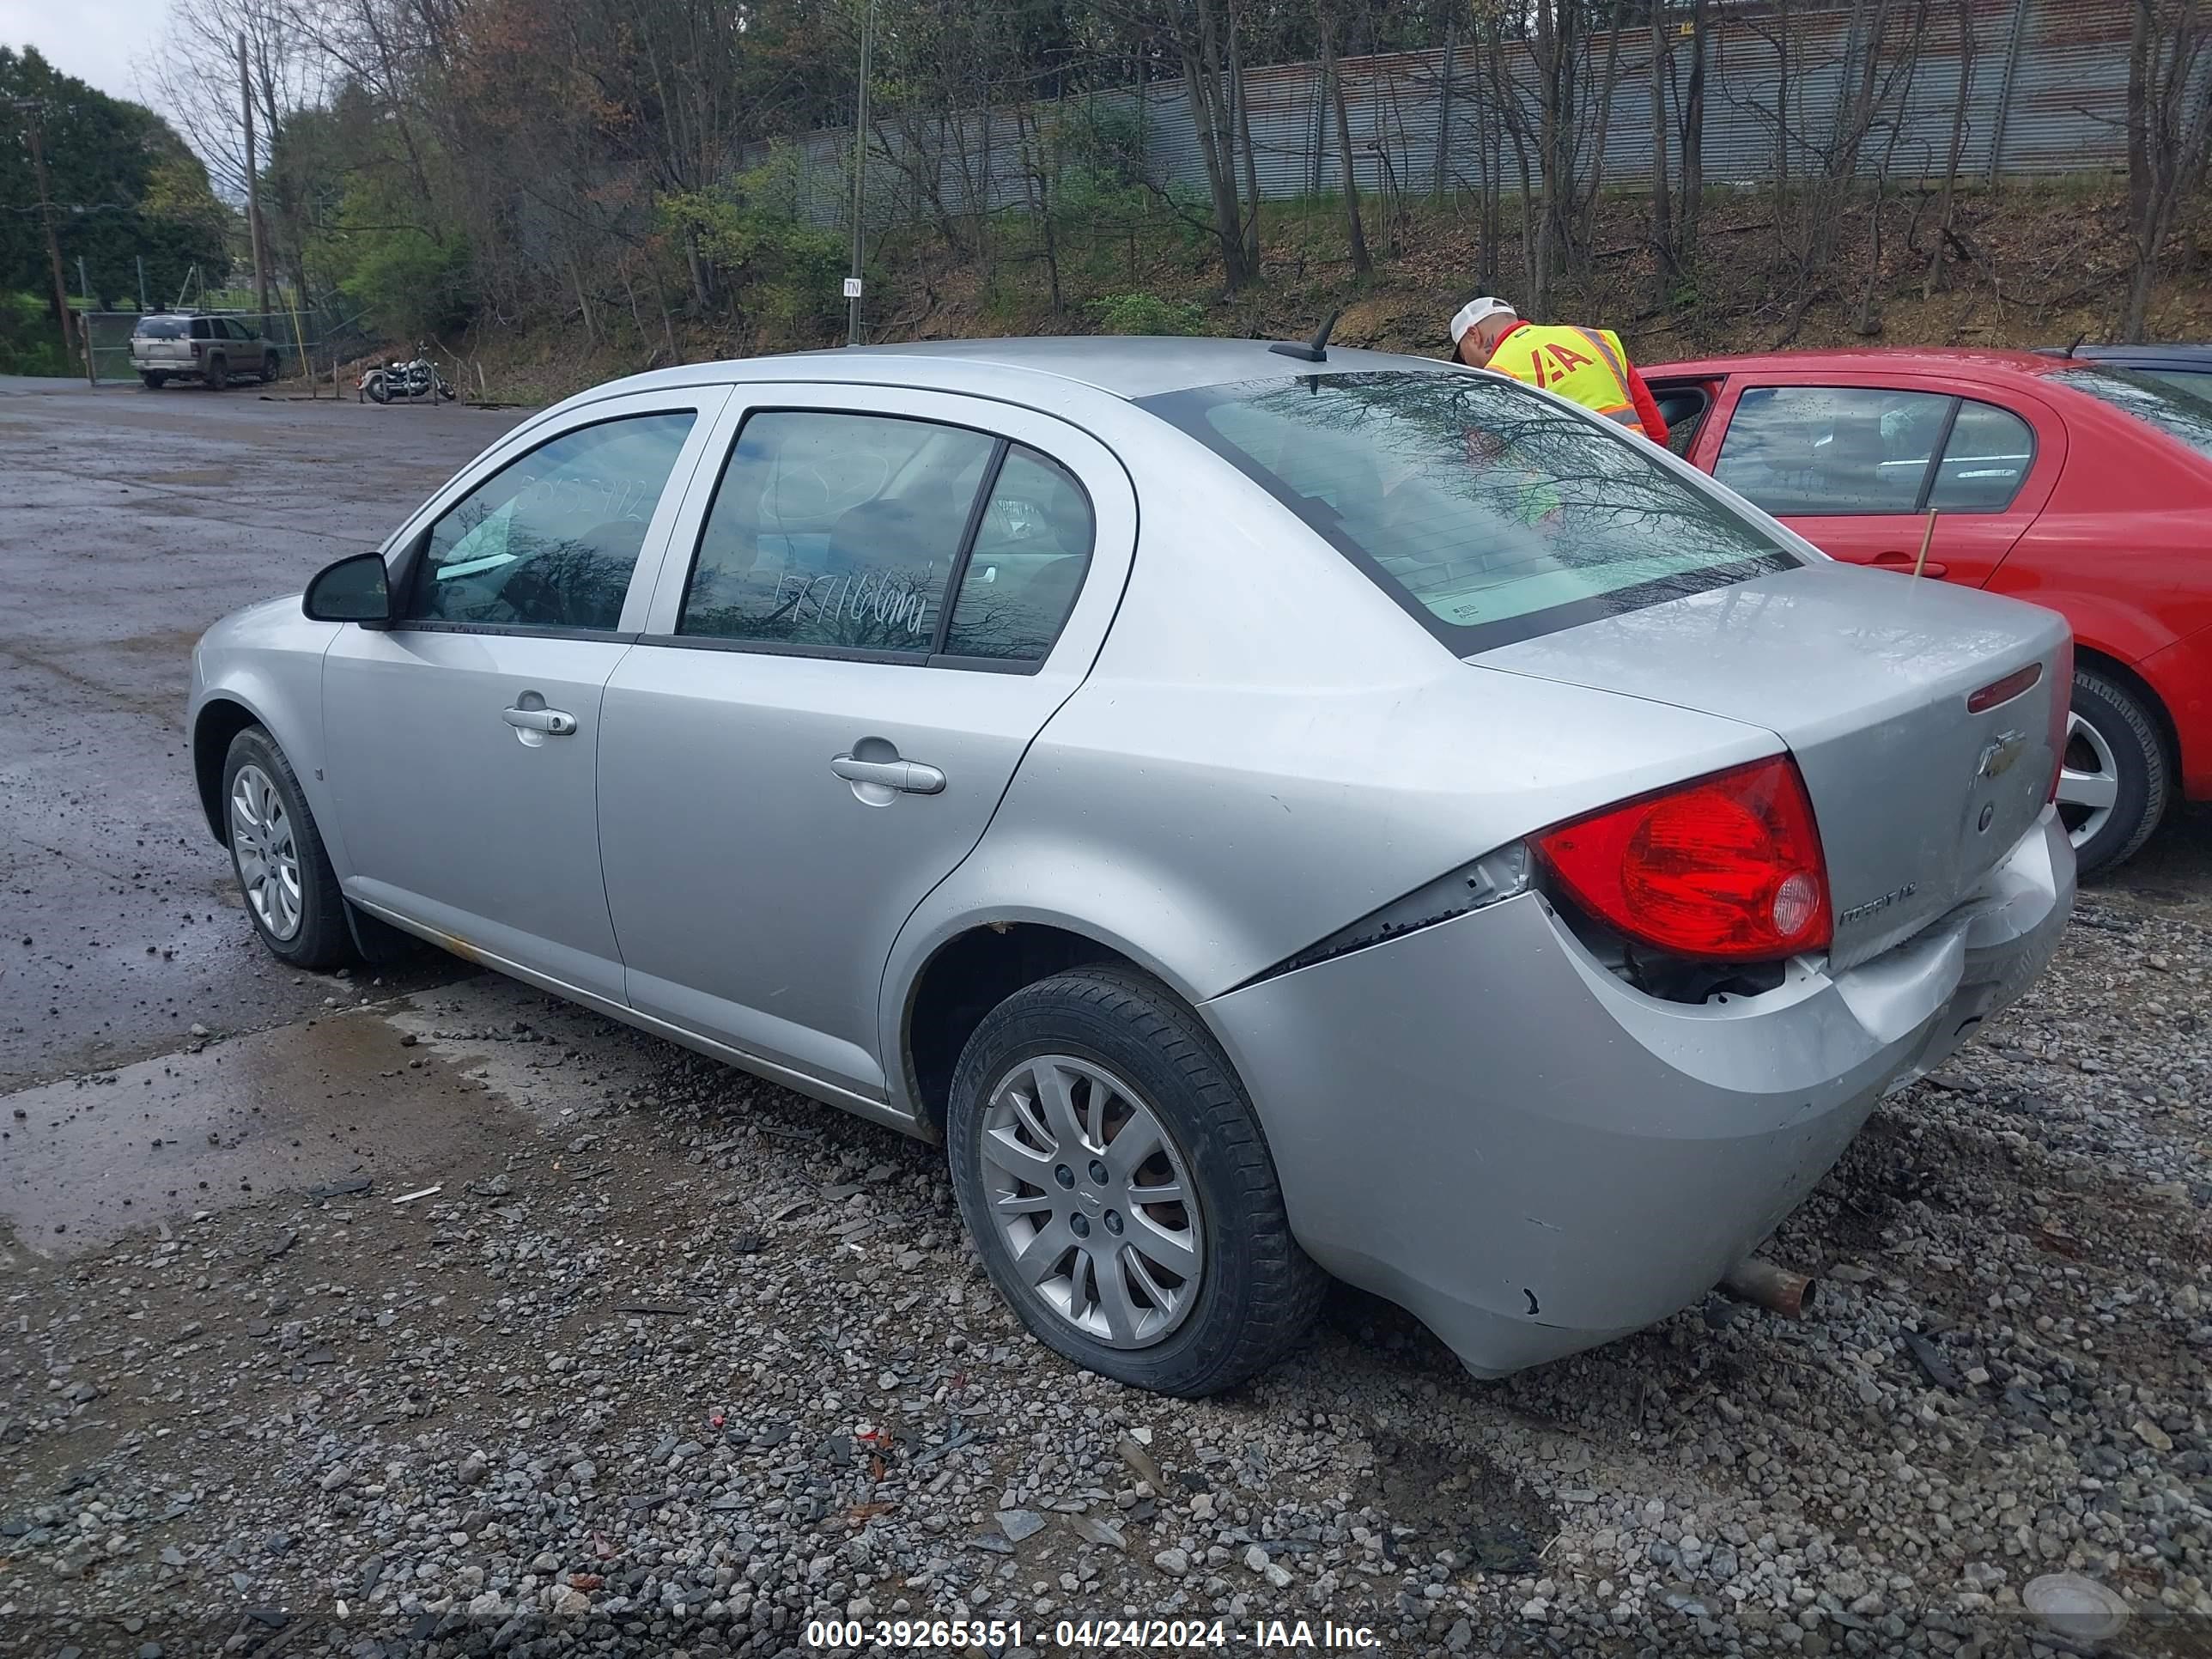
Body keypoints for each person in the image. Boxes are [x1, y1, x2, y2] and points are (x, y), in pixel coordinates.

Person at [1449, 296, 1670, 446]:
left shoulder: (1497, 375)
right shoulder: (1595, 338)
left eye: (1464, 356)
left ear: (1473, 334)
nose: (1469, 365)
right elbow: (1657, 432)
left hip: (1581, 496)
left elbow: (1487, 458)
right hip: (1639, 483)